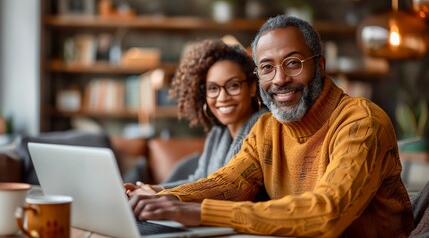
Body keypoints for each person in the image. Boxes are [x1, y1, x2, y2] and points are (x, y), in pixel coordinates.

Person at [127, 15, 414, 237]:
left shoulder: (361, 122)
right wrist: (157, 197)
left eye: (293, 63)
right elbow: (228, 183)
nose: (278, 79)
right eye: (266, 67)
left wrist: (198, 212)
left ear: (321, 66)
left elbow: (327, 214)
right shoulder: (267, 128)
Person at [125, 39, 267, 194]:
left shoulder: (263, 128)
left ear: (252, 87)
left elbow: (226, 188)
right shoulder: (218, 134)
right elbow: (199, 180)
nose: (222, 97)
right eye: (213, 88)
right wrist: (154, 189)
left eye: (233, 85)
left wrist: (161, 195)